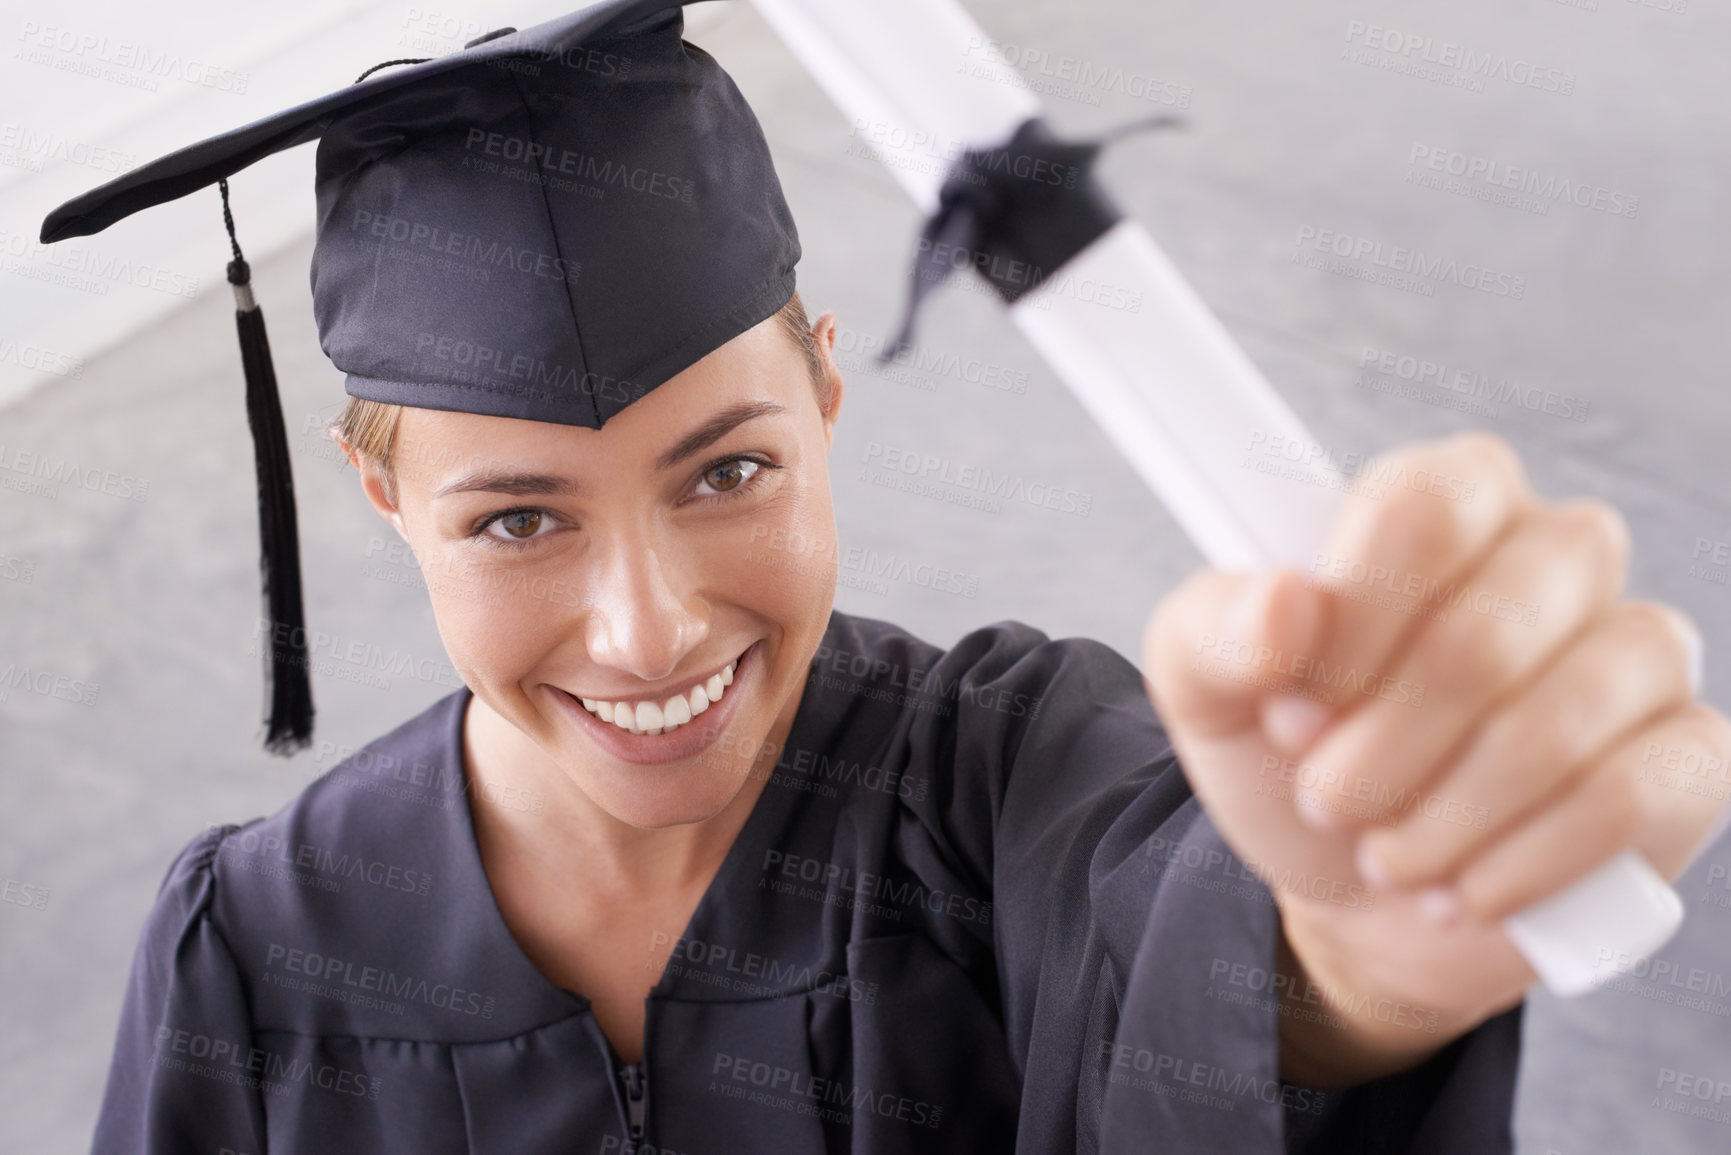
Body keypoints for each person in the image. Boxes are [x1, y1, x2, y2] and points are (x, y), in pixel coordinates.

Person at [40, 2, 1726, 1152]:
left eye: (729, 471)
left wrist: (1368, 949)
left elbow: (1201, 962)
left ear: (827, 390)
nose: (649, 628)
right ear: (379, 488)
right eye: (516, 518)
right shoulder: (256, 954)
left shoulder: (1011, 776)